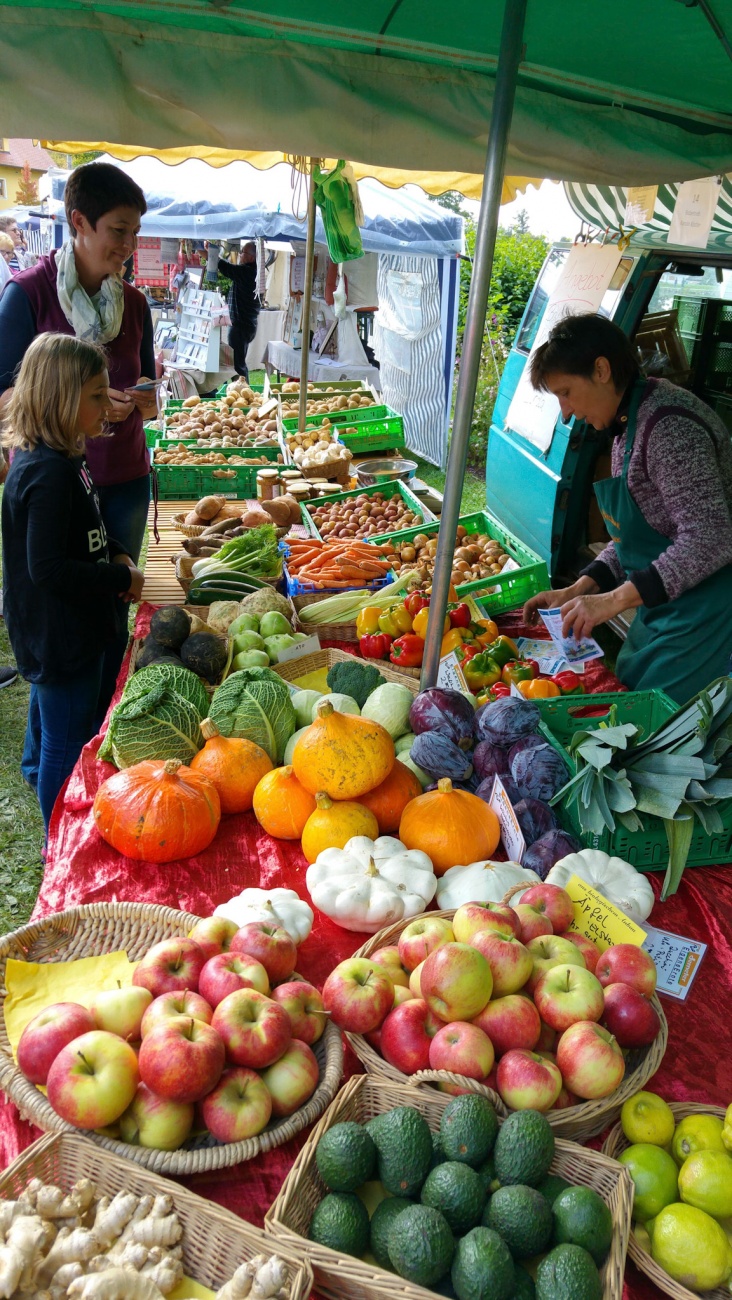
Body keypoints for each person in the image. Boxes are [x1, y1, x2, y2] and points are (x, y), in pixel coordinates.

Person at [0, 162, 156, 785]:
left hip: (118, 477)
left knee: (106, 611)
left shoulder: (135, 303)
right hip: (55, 486)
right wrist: (80, 407)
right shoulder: (29, 296)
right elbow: (7, 398)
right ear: (78, 223)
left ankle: (89, 736)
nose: (126, 247)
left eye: (134, 234)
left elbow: (148, 382)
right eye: (117, 231)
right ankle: (56, 761)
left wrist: (136, 399)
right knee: (64, 622)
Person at [523, 312, 732, 705]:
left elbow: (710, 538)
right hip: (666, 604)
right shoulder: (626, 424)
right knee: (630, 695)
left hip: (710, 607)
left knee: (668, 725)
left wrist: (613, 600)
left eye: (566, 392)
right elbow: (634, 536)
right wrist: (579, 588)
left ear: (601, 370)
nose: (565, 412)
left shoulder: (669, 427)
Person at [1, 333, 144, 833]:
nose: (108, 406)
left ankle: (46, 783)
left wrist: (118, 551)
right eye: (97, 396)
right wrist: (119, 576)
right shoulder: (44, 474)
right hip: (61, 637)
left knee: (60, 727)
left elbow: (92, 522)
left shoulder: (69, 458)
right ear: (61, 397)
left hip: (82, 627)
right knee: (65, 739)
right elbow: (48, 569)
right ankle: (57, 838)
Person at [218, 241, 260, 380]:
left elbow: (226, 268)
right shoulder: (251, 271)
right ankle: (241, 389)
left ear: (252, 258)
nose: (240, 255)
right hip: (244, 325)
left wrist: (210, 255)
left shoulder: (248, 272)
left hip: (241, 325)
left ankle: (242, 393)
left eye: (243, 253)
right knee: (238, 362)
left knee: (238, 365)